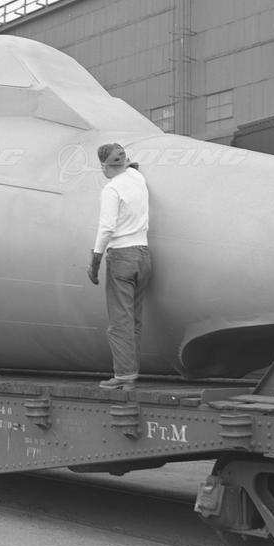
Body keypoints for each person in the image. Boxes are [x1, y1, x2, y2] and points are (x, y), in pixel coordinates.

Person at [88, 142, 151, 390]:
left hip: (122, 256)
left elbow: (107, 228)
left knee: (119, 321)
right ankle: (131, 371)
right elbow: (133, 166)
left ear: (104, 166)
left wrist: (95, 261)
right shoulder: (137, 178)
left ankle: (124, 376)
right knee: (134, 319)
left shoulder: (111, 189)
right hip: (143, 255)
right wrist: (126, 163)